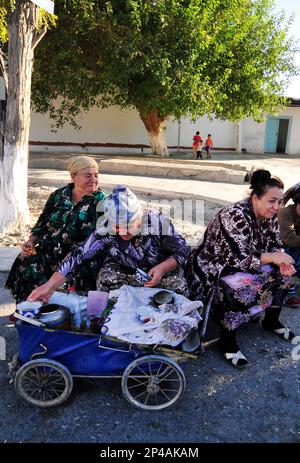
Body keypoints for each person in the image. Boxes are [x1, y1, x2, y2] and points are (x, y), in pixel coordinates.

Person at [187, 169, 297, 368]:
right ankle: (226, 339)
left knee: (285, 275)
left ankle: (271, 321)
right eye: (272, 201)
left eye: (279, 202)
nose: (276, 207)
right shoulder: (233, 216)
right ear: (255, 198)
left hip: (251, 260)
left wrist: (282, 259)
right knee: (239, 287)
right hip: (214, 265)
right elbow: (236, 259)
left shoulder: (270, 215)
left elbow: (275, 242)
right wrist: (273, 257)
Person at [27, 185, 191, 303]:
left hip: (161, 270)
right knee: (106, 279)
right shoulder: (106, 228)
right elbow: (78, 256)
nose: (122, 233)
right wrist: (49, 286)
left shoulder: (156, 222)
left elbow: (183, 250)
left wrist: (163, 268)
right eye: (117, 227)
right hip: (126, 271)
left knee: (178, 287)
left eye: (129, 226)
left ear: (139, 217)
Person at [5, 156, 107, 303]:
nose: (93, 179)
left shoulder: (102, 202)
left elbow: (99, 238)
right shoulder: (59, 195)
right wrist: (31, 241)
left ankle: (66, 311)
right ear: (73, 176)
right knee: (27, 258)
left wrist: (74, 255)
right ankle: (28, 306)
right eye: (88, 175)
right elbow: (43, 221)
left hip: (80, 256)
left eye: (96, 175)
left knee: (84, 270)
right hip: (50, 250)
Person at [277, 182, 300, 308]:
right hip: (282, 249)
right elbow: (289, 239)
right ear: (297, 204)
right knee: (284, 253)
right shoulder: (285, 213)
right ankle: (288, 290)